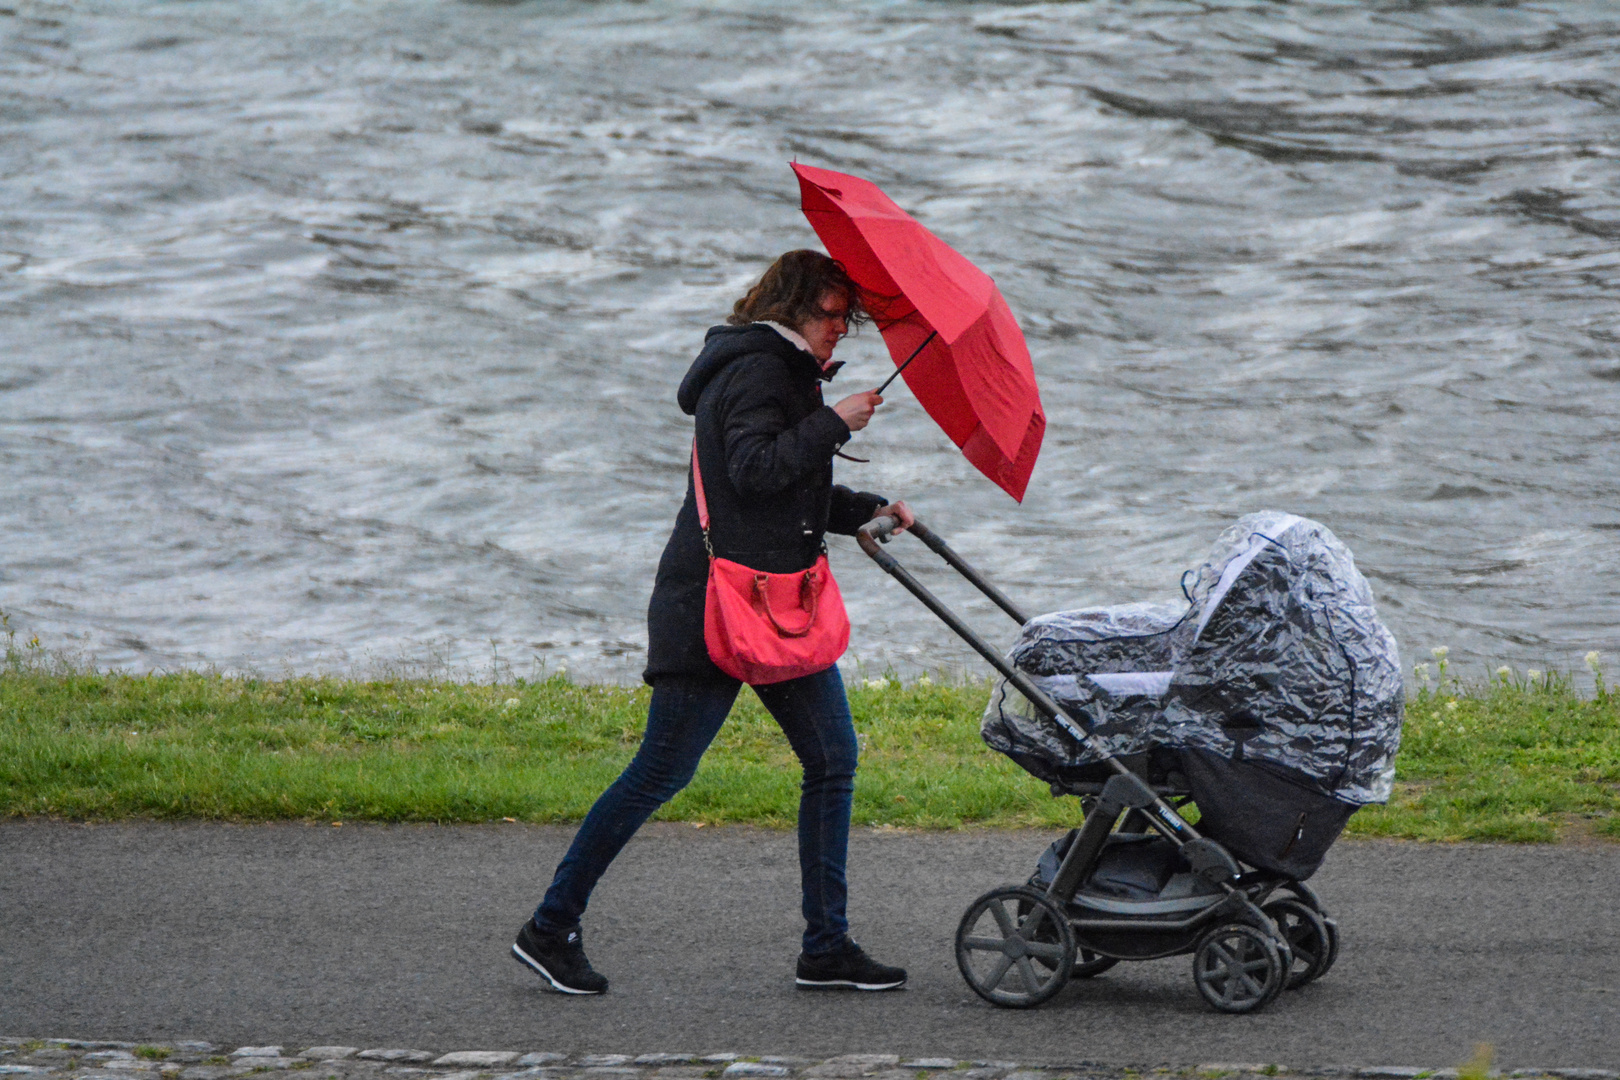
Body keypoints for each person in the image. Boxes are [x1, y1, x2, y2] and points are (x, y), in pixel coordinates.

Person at [512, 249, 915, 996]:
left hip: (770, 607)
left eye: (846, 319)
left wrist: (868, 510)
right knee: (661, 771)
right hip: (713, 608)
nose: (841, 331)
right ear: (793, 307)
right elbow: (753, 471)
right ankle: (548, 927)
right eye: (833, 315)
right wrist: (831, 421)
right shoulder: (759, 369)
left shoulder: (782, 372)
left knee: (833, 759)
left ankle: (827, 947)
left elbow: (779, 494)